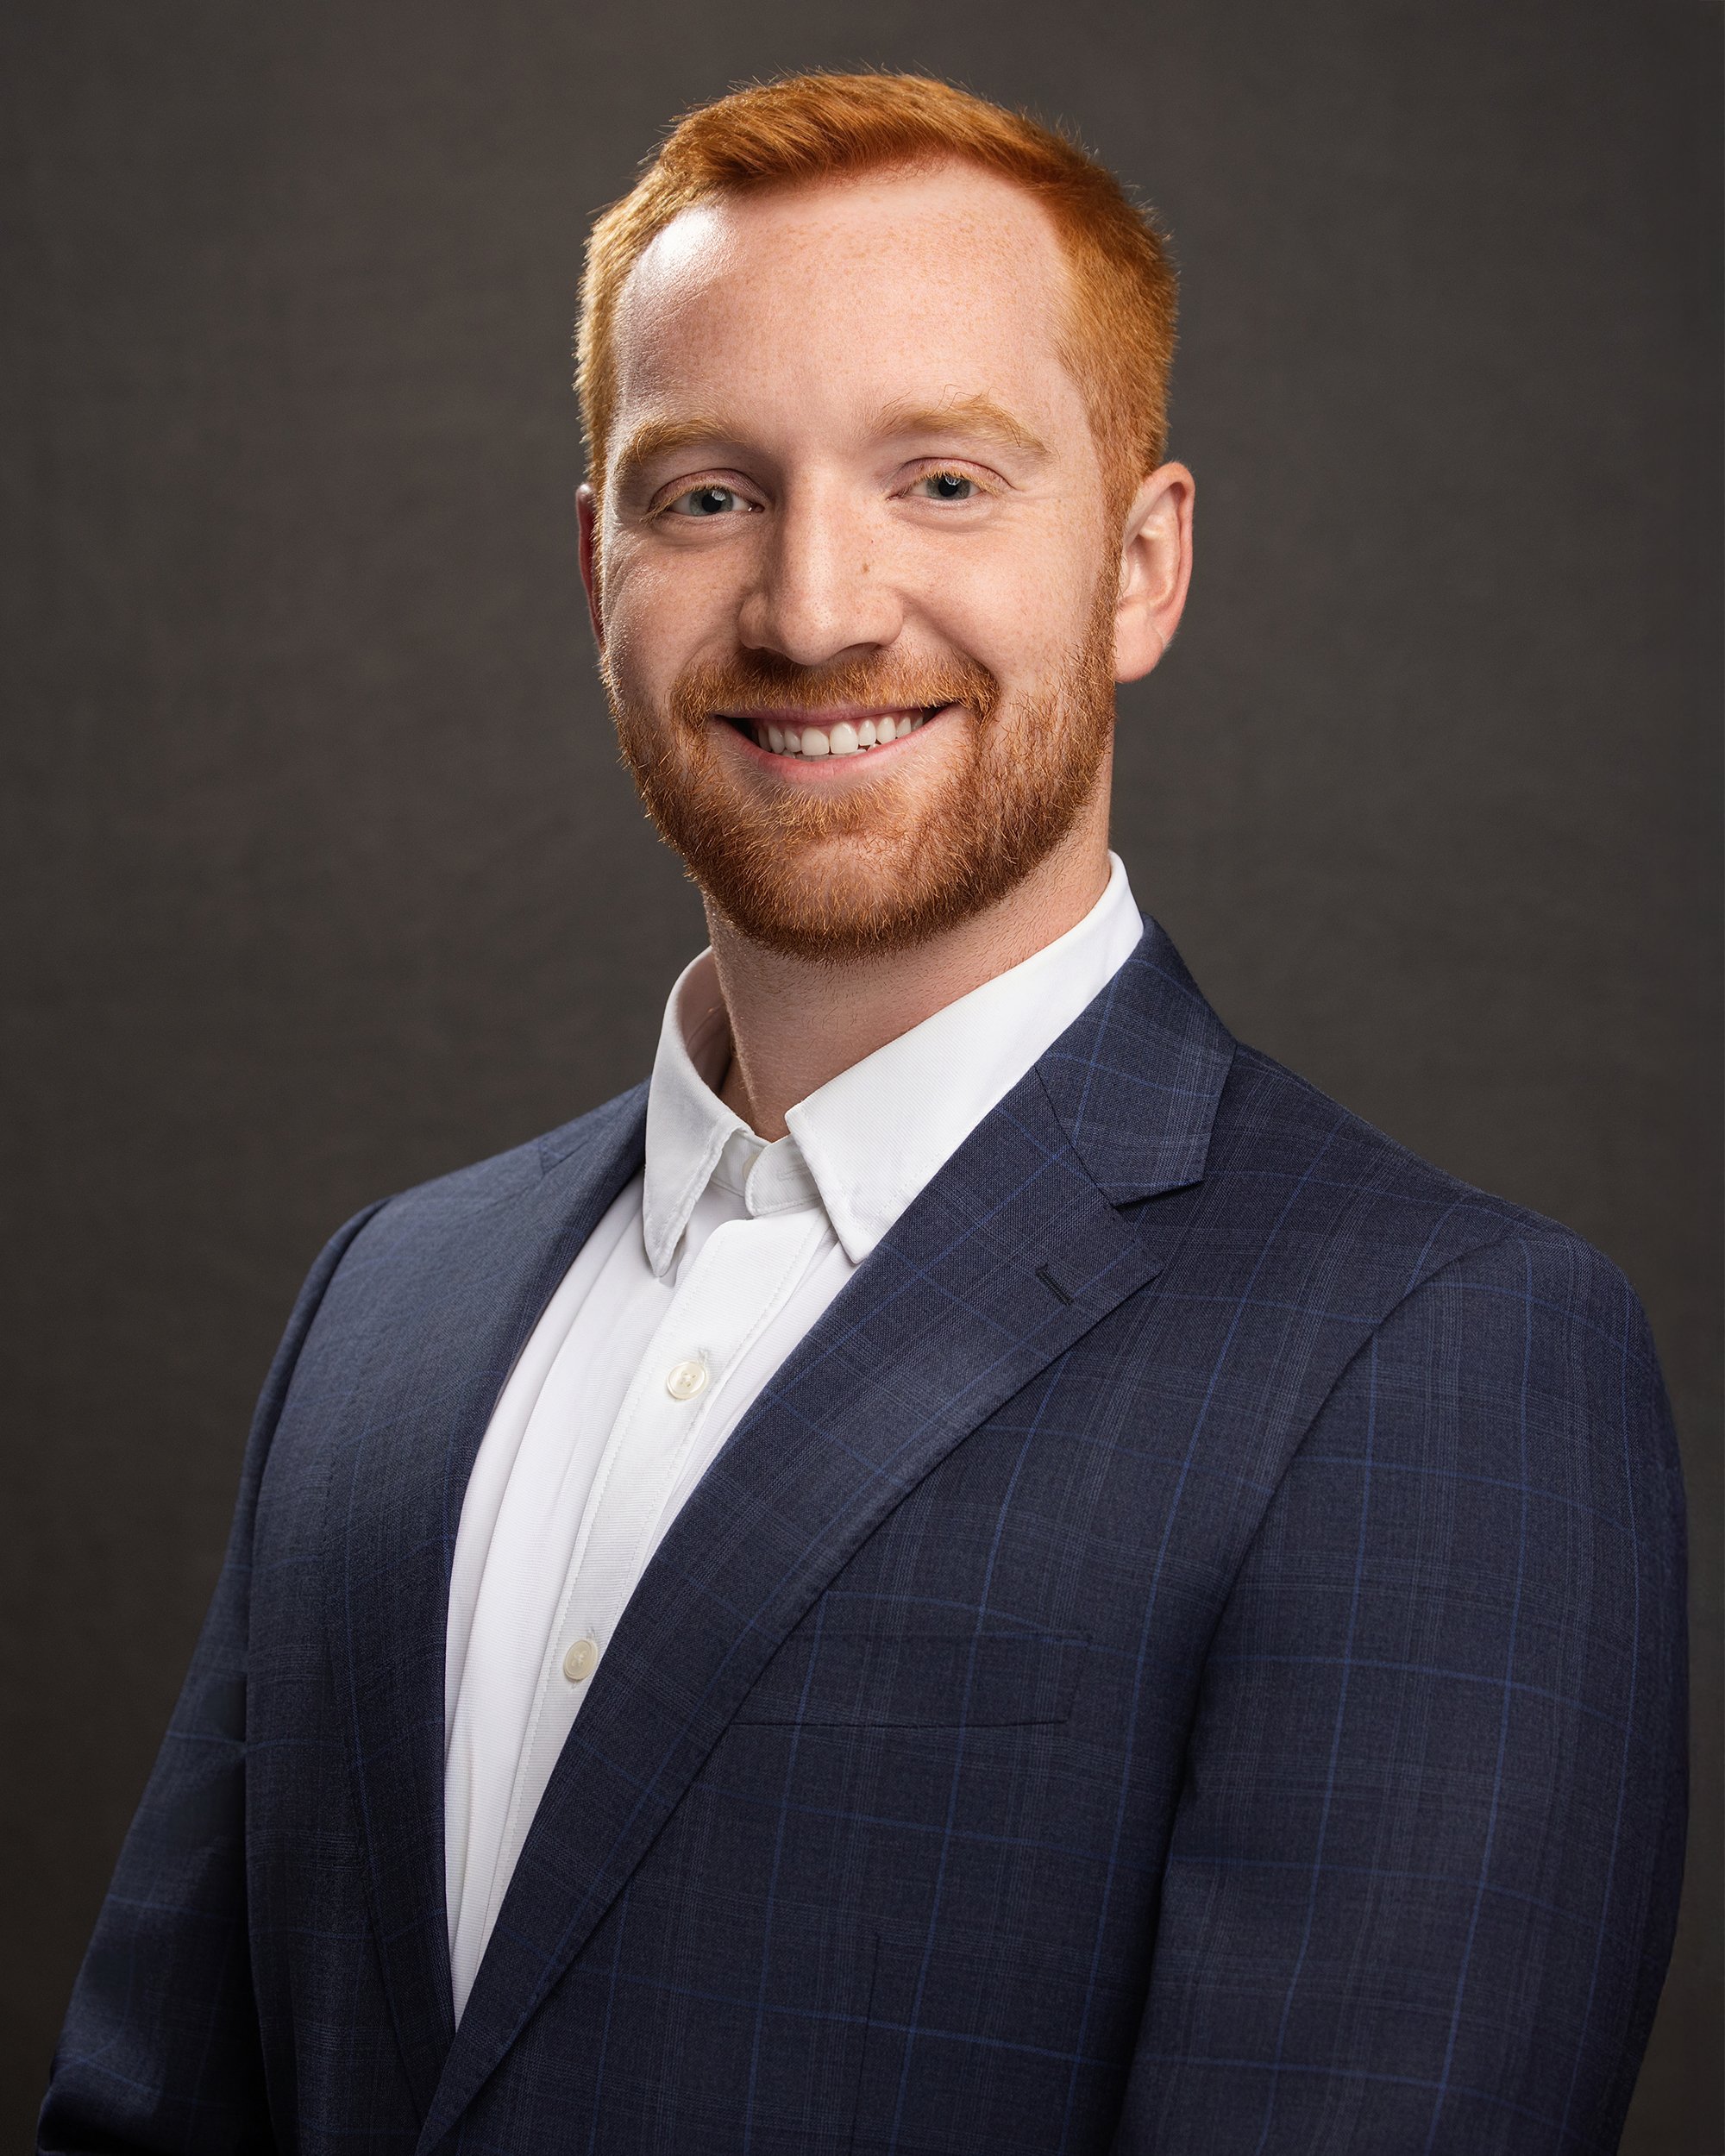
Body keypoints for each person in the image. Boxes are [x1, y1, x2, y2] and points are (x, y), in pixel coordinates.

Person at [41, 72, 1685, 2156]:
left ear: (1141, 565)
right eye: (704, 493)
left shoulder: (1442, 1363)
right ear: (593, 563)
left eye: (941, 481)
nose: (813, 607)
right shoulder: (386, 1305)